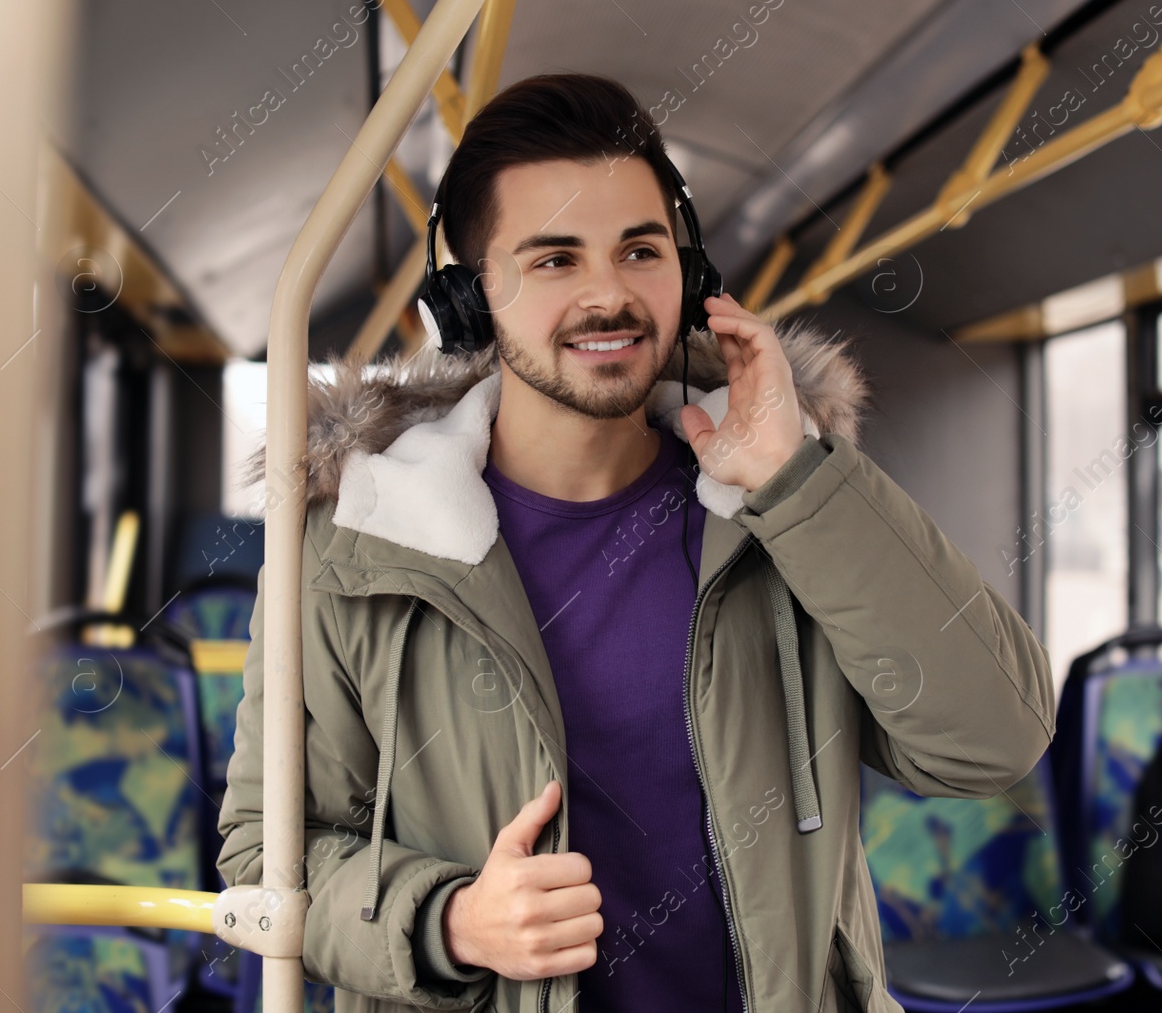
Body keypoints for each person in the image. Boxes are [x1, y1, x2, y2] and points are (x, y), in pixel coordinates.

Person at [218, 72, 1055, 1013]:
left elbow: (997, 741)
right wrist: (449, 922)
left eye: (640, 250)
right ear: (469, 301)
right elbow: (266, 862)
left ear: (692, 277)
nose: (608, 295)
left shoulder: (787, 510)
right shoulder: (357, 543)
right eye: (554, 260)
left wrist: (799, 479)